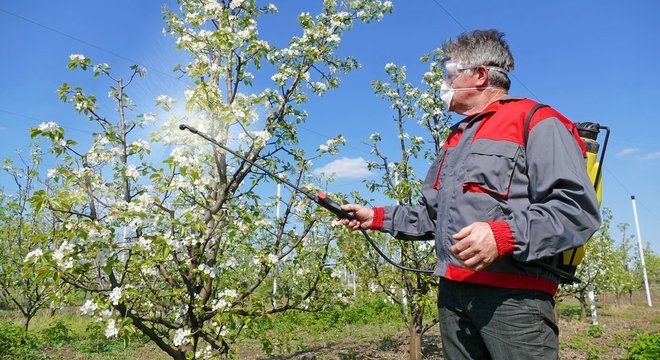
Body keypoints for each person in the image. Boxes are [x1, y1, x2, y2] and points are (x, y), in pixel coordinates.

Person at [339, 29, 601, 359]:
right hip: (453, 294)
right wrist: (374, 216)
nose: (442, 84)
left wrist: (504, 236)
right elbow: (433, 216)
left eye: (449, 74)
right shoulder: (456, 138)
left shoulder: (536, 121)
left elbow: (577, 210)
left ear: (479, 75)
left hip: (514, 302)